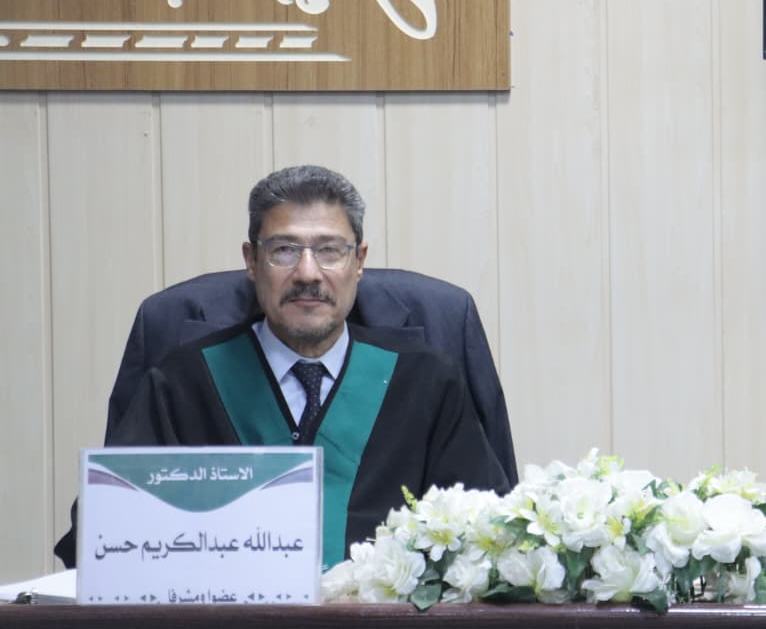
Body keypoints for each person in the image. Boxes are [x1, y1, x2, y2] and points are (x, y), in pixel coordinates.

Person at [55, 165, 509, 570]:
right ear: (251, 262)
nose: (308, 273)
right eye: (284, 250)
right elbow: (103, 535)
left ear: (359, 262)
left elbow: (487, 542)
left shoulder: (426, 382)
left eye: (330, 250)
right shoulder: (182, 383)